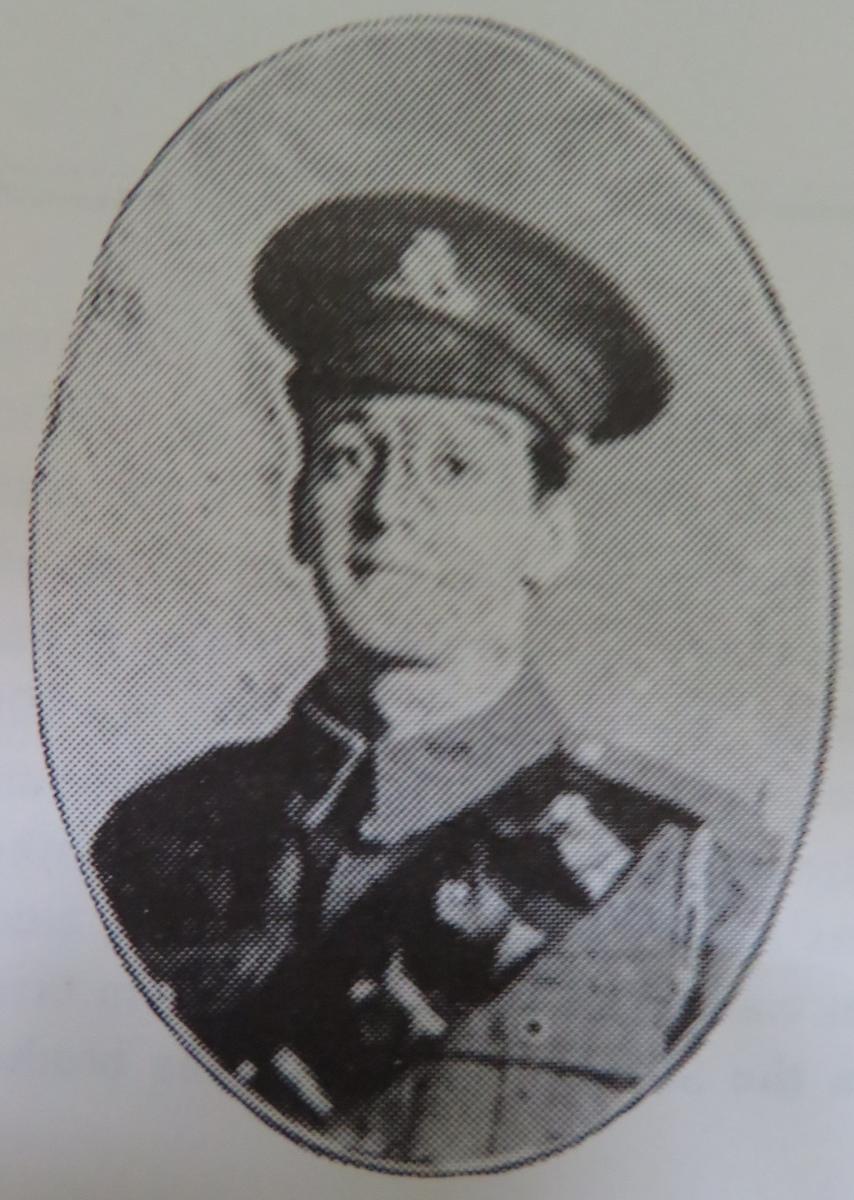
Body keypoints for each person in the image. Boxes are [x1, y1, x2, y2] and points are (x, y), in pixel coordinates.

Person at [91, 193, 744, 1167]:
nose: (389, 507)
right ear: (298, 511)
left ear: (548, 533)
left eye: (455, 466)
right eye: (348, 454)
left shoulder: (695, 883)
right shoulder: (155, 842)